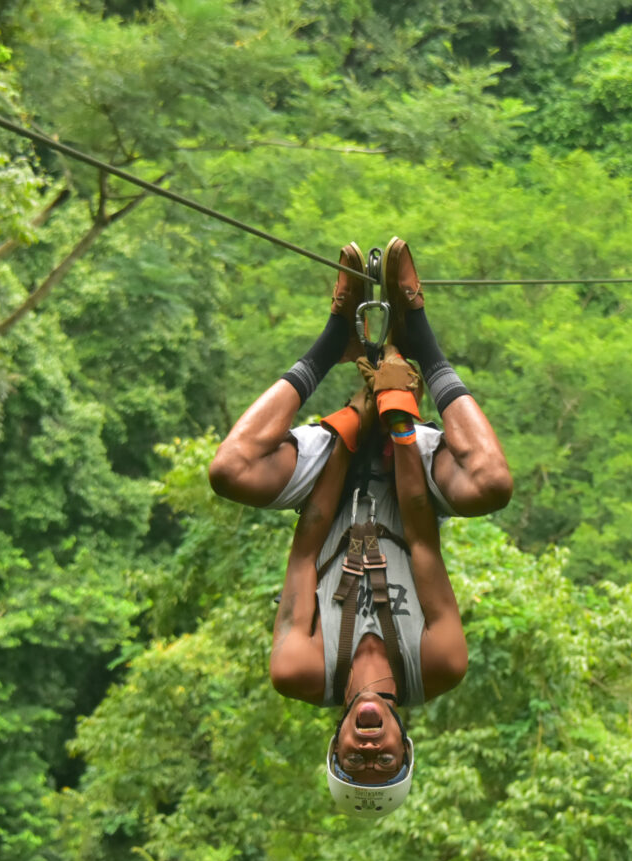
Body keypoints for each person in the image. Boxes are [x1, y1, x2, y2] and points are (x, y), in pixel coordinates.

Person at [209, 238, 512, 816]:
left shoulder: (298, 672)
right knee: (491, 483)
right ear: (405, 743)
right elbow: (422, 537)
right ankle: (420, 335)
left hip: (331, 486)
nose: (369, 751)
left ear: (336, 743)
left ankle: (333, 341)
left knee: (229, 471)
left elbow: (306, 548)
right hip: (410, 490)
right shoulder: (439, 664)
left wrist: (352, 422)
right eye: (384, 762)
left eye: (355, 761)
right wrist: (399, 419)